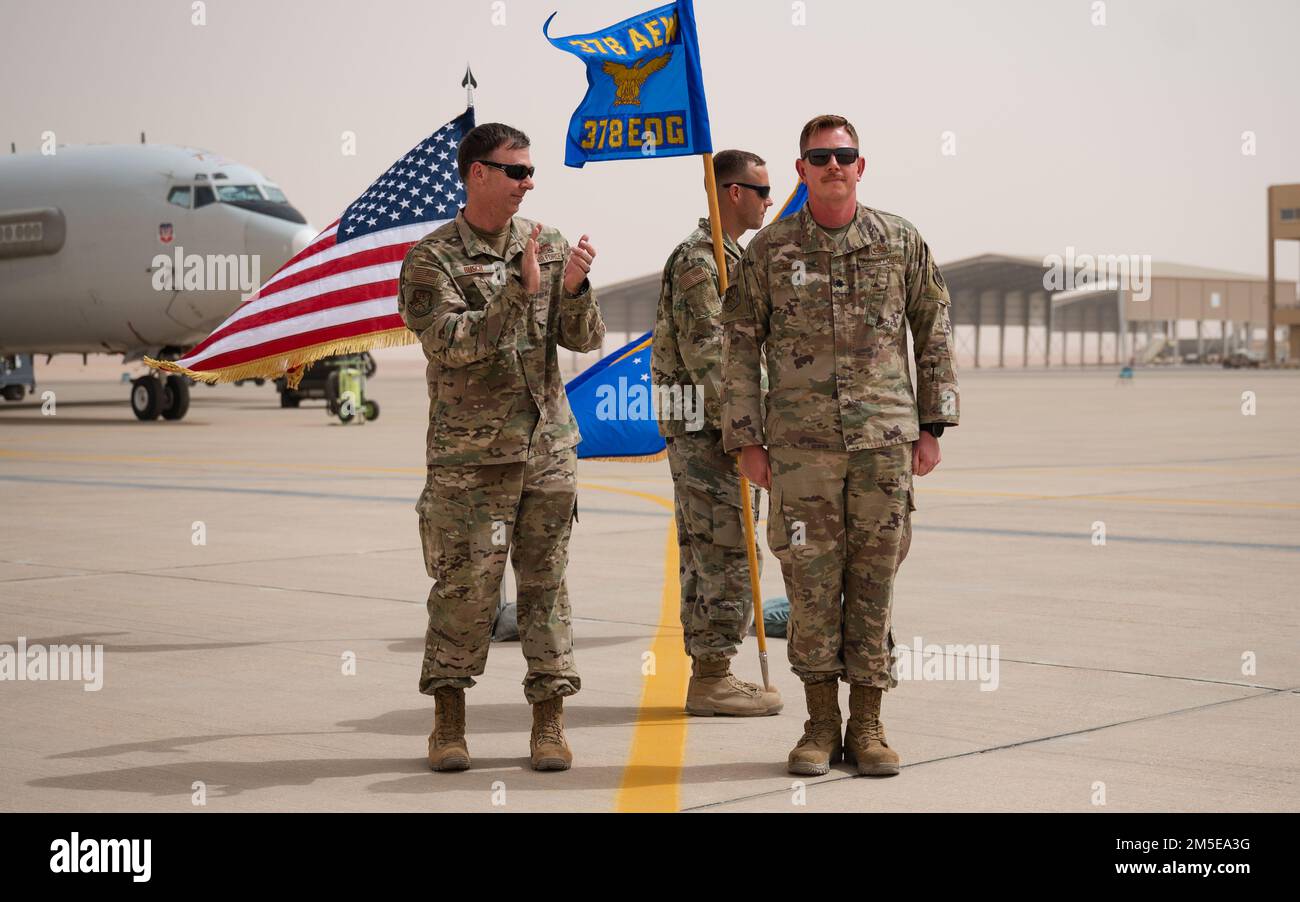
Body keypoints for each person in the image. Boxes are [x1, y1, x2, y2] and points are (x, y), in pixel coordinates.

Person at [720, 114, 960, 777]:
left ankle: (872, 725)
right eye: (819, 157)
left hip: (884, 444)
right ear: (800, 170)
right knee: (810, 587)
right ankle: (820, 725)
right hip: (799, 452)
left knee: (874, 584)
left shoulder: (899, 241)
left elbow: (932, 328)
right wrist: (745, 438)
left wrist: (933, 426)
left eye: (844, 156)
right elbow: (737, 346)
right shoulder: (771, 250)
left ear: (861, 166)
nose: (833, 166)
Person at [397, 122, 605, 772]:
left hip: (546, 453)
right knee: (466, 593)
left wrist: (571, 290)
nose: (528, 183)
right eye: (515, 171)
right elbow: (453, 343)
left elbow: (584, 337)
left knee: (546, 593)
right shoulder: (430, 261)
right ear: (477, 173)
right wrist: (518, 292)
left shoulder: (546, 243)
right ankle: (448, 724)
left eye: (530, 171)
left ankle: (549, 725)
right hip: (470, 462)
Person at [651, 149, 781, 717]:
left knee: (710, 549)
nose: (768, 202)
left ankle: (711, 671)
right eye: (760, 191)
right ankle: (713, 677)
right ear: (731, 192)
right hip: (712, 432)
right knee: (727, 550)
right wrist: (751, 431)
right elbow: (712, 359)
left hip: (717, 429)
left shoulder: (733, 258)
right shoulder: (700, 263)